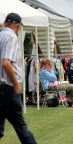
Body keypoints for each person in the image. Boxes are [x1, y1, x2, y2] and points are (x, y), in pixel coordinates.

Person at [0, 13, 37, 143]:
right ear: (19, 25)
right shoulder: (11, 37)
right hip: (7, 88)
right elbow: (6, 62)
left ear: (5, 23)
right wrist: (16, 84)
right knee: (22, 129)